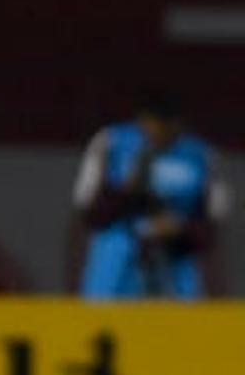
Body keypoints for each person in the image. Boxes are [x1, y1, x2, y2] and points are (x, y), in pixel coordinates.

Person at [73, 92, 222, 299]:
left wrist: (180, 229)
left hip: (175, 258)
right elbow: (87, 208)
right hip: (117, 250)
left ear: (177, 125)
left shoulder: (199, 155)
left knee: (179, 323)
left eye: (166, 128)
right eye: (149, 125)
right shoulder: (112, 142)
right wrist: (126, 191)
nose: (156, 134)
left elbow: (211, 223)